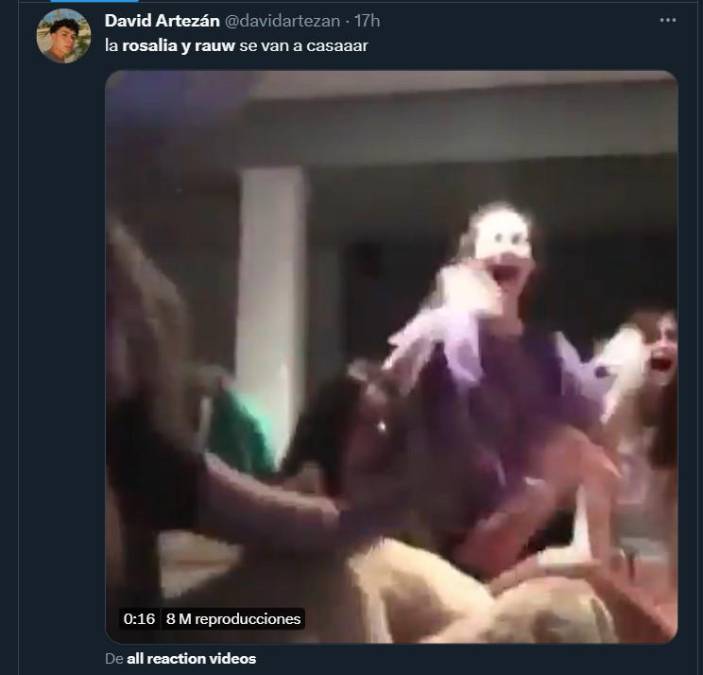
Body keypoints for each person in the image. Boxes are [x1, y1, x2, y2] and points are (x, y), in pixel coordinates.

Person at [106, 222, 410, 640]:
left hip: (142, 630)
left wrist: (417, 487)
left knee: (316, 588)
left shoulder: (134, 444)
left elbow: (317, 528)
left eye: (115, 310)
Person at [384, 202, 617, 579]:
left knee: (573, 451)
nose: (506, 247)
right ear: (470, 259)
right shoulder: (439, 331)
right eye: (495, 238)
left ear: (531, 265)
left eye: (517, 240)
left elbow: (596, 438)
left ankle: (583, 566)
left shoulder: (550, 352)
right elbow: (381, 394)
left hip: (525, 531)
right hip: (444, 533)